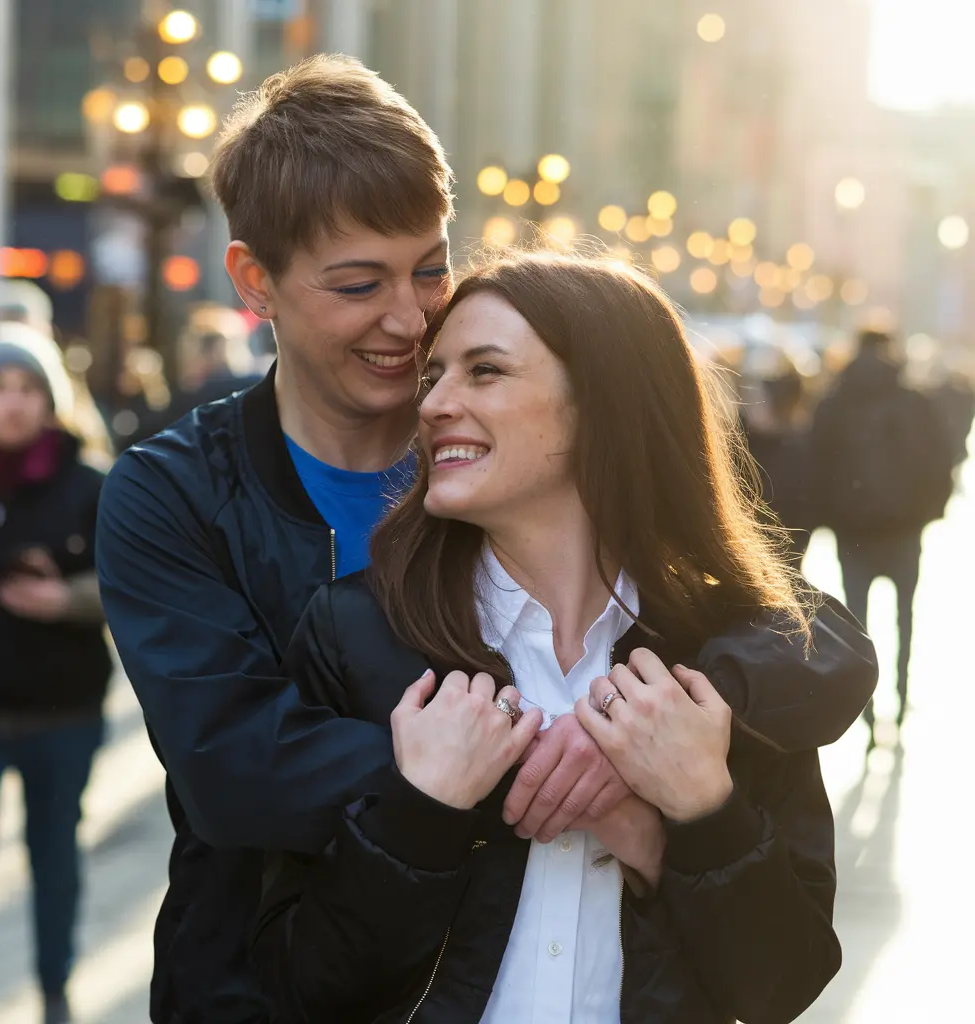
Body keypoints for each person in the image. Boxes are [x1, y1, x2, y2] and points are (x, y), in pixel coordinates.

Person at [97, 57, 874, 1023]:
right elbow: (235, 768)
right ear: (256, 281)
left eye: (430, 269)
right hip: (251, 984)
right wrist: (557, 762)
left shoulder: (508, 464)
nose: (409, 319)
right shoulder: (174, 492)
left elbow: (812, 635)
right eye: (357, 284)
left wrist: (671, 728)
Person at [254, 252, 870, 1023]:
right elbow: (298, 984)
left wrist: (686, 818)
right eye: (435, 375)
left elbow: (784, 984)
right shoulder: (362, 634)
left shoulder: (720, 665)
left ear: (603, 404)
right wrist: (424, 816)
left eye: (484, 372)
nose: (435, 402)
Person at [0, 335, 110, 1024]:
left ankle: (54, 992)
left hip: (63, 710)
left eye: (27, 388)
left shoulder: (92, 483)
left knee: (54, 860)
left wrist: (67, 598)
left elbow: (133, 583)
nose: (11, 402)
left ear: (49, 401)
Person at [812, 327, 954, 740]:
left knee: (858, 620)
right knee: (904, 617)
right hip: (904, 533)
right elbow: (940, 461)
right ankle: (901, 692)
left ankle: (868, 709)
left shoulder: (834, 403)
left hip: (854, 534)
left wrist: (831, 517)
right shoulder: (915, 401)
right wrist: (926, 513)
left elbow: (815, 465)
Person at [740, 355, 816, 568]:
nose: (748, 405)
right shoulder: (740, 441)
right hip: (746, 550)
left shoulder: (796, 448)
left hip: (786, 550)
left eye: (756, 400)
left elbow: (804, 505)